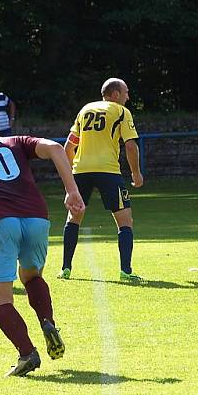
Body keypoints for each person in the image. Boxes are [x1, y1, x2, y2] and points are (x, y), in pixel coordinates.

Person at [0, 104, 85, 376]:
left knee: (0, 300)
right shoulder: (13, 141)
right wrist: (72, 191)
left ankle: (27, 354)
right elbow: (57, 149)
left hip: (1, 224)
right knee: (32, 276)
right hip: (36, 218)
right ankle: (48, 323)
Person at [59, 78, 144, 282]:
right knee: (125, 221)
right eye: (126, 92)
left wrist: (72, 172)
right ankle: (126, 271)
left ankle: (65, 269)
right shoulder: (121, 112)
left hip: (81, 171)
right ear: (115, 94)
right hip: (108, 172)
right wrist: (136, 173)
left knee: (74, 218)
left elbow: (69, 147)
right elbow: (131, 146)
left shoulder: (85, 109)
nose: (128, 96)